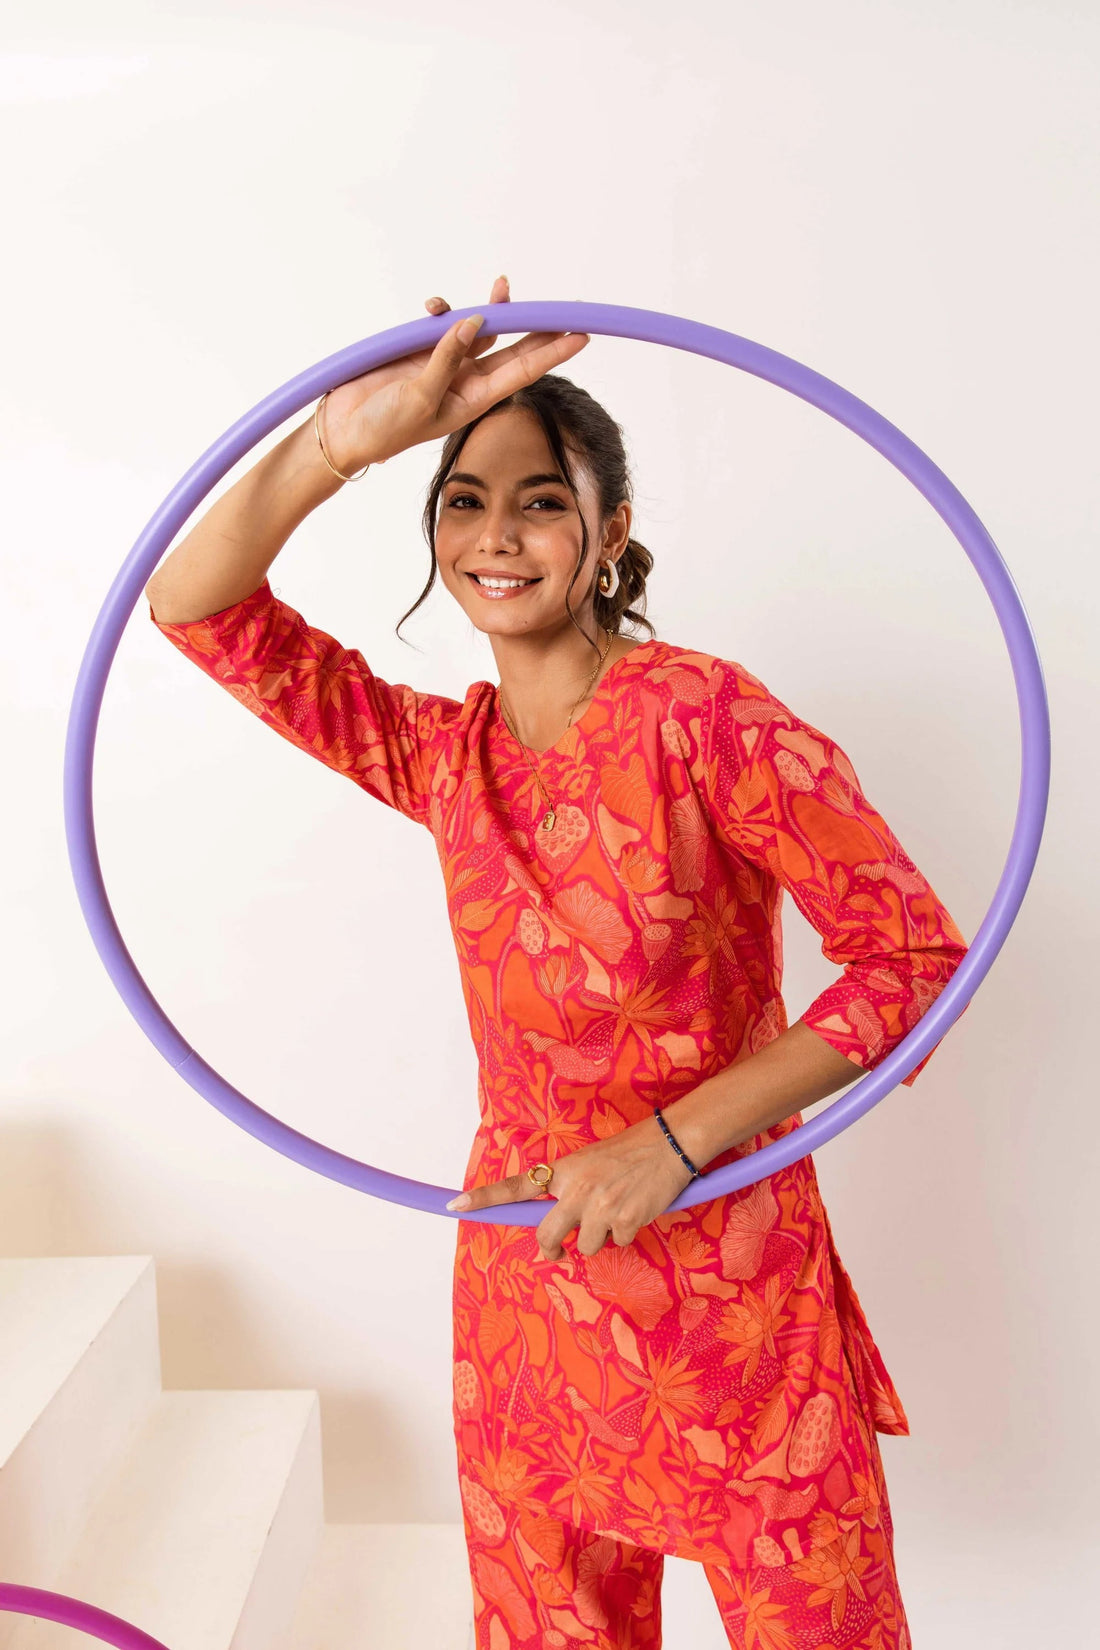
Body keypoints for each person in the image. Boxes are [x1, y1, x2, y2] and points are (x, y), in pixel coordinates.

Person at [146, 275, 968, 1649]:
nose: (496, 534)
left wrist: (674, 1143)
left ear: (610, 532)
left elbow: (914, 956)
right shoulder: (444, 755)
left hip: (733, 1302)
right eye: (464, 500)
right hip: (533, 1303)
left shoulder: (705, 717)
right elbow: (194, 604)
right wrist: (351, 438)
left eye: (539, 499)